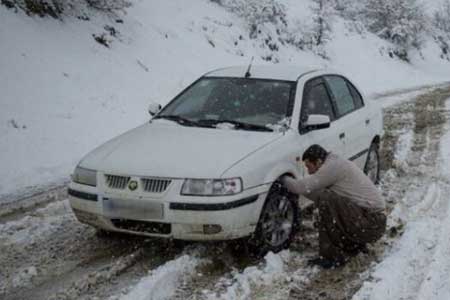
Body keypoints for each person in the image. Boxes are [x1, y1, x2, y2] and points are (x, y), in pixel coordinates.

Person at [282, 144, 386, 269]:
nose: (309, 172)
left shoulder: (332, 167)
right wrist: (297, 187)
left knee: (327, 200)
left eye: (309, 167)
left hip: (371, 223)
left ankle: (332, 257)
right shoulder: (335, 162)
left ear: (319, 161)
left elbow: (303, 187)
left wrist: (282, 179)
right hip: (370, 221)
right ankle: (353, 245)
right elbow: (313, 193)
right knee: (328, 199)